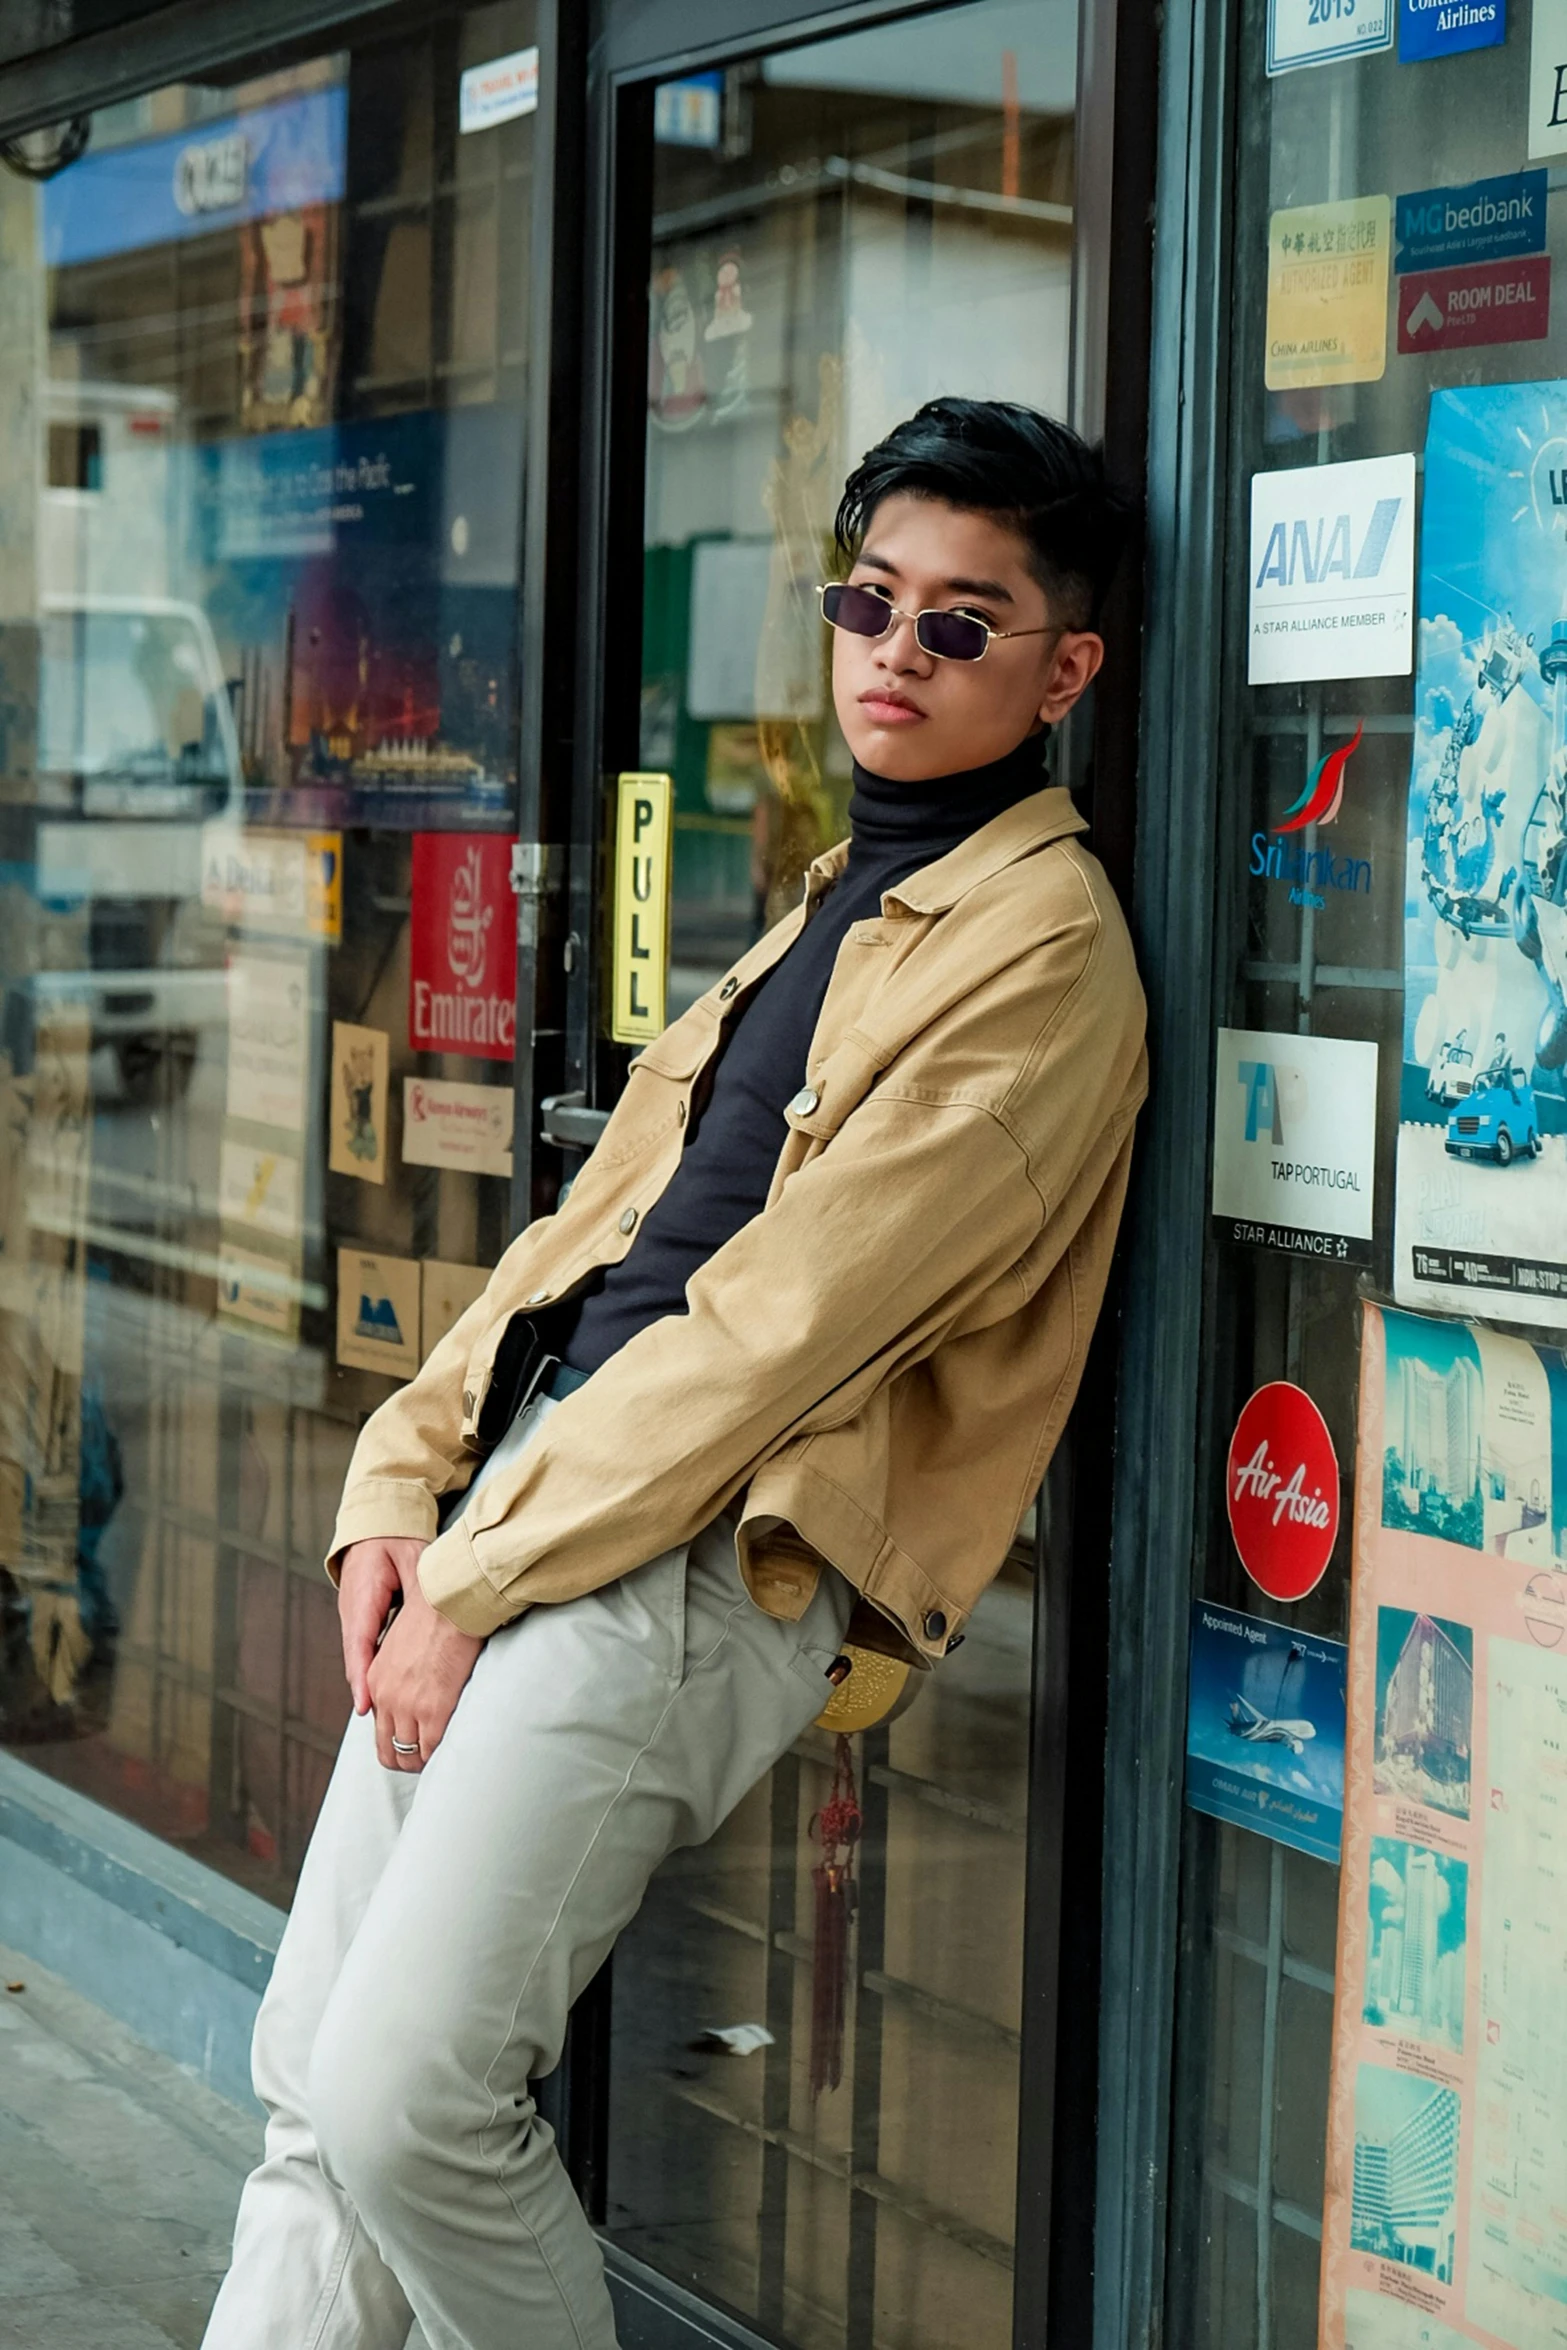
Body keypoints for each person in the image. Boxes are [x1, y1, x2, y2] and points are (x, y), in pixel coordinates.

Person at [202, 396, 1148, 2350]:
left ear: (1069, 668)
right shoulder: (837, 897)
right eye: (869, 599)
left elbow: (775, 1328)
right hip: (538, 1497)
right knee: (316, 2084)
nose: (897, 648)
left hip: (689, 1553)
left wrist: (470, 1576)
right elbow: (597, 1249)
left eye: (962, 622)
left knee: (408, 2105)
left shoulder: (1043, 954)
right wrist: (405, 1478)